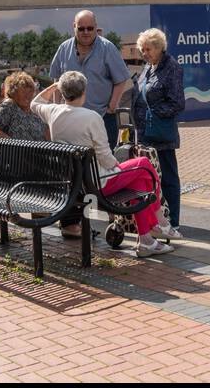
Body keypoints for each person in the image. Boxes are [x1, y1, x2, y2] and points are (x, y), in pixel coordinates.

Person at [31, 71, 173, 257]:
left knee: (138, 182)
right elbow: (105, 158)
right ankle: (160, 221)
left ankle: (146, 240)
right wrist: (117, 164)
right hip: (99, 185)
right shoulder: (92, 117)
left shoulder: (53, 112)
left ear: (64, 93)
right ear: (84, 91)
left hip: (76, 186)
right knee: (144, 163)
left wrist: (54, 86)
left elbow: (35, 103)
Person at [49, 10, 132, 151]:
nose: (85, 32)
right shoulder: (63, 49)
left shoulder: (107, 48)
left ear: (96, 27)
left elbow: (121, 79)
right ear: (74, 26)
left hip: (102, 119)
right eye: (81, 28)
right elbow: (57, 80)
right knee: (73, 166)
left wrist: (112, 106)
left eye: (90, 28)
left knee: (103, 167)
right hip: (70, 121)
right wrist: (57, 107)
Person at [132, 28, 186, 239]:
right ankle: (156, 220)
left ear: (159, 48)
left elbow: (177, 103)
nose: (144, 53)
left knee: (168, 177)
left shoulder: (171, 68)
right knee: (150, 178)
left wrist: (153, 114)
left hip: (161, 133)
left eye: (148, 49)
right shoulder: (149, 67)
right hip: (145, 134)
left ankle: (173, 222)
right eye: (142, 49)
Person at [0, 72, 49, 142]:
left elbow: (46, 133)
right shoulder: (10, 106)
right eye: (23, 92)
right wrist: (13, 143)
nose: (28, 96)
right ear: (13, 92)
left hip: (42, 151)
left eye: (30, 92)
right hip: (21, 152)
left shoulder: (34, 111)